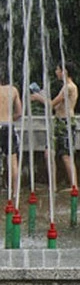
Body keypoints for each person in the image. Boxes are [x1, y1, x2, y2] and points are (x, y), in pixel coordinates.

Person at [30, 61, 79, 189]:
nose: (56, 72)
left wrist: (38, 98)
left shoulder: (69, 87)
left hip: (66, 123)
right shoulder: (64, 87)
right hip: (57, 121)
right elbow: (56, 106)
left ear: (65, 71)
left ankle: (74, 186)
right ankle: (53, 186)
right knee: (48, 153)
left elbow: (51, 104)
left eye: (58, 70)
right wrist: (42, 95)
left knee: (66, 156)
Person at [0, 71, 22, 199]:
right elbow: (19, 113)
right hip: (8, 127)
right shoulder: (13, 90)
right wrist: (9, 119)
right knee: (13, 161)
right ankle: (15, 192)